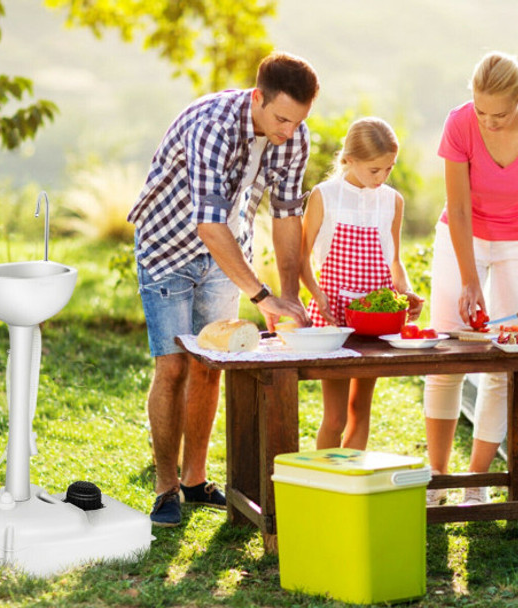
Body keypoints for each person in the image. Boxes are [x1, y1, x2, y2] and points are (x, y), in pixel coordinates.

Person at [127, 51, 319, 527]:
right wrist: (261, 296)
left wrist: (288, 297)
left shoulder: (293, 136)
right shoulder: (213, 125)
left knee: (210, 365)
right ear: (257, 98)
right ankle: (166, 487)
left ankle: (195, 480)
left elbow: (288, 215)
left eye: (297, 122)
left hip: (228, 254)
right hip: (168, 247)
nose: (288, 132)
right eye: (281, 119)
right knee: (172, 368)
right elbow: (208, 225)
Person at [424, 51, 518, 506]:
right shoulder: (460, 123)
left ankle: (477, 481)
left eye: (500, 114)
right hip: (461, 235)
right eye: (482, 111)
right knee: (448, 354)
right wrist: (468, 280)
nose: (488, 122)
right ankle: (437, 477)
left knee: (505, 356)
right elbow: (458, 207)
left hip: (515, 243)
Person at [300, 117, 423, 450]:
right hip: (334, 319)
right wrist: (317, 295)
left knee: (360, 410)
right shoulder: (325, 196)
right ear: (349, 160)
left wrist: (406, 292)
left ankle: (349, 488)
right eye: (374, 170)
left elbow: (394, 261)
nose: (382, 178)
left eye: (389, 169)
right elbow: (302, 259)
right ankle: (323, 483)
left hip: (376, 321)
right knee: (336, 417)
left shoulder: (392, 201)